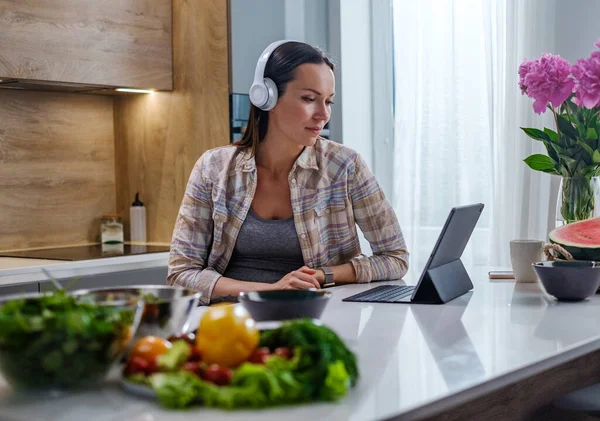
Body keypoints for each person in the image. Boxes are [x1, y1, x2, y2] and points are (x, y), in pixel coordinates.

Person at [168, 40, 408, 305]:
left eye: (329, 102)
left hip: (315, 318)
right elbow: (181, 274)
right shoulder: (212, 169)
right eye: (309, 99)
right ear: (266, 96)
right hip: (230, 319)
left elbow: (395, 258)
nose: (323, 114)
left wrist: (323, 276)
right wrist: (273, 290)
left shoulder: (345, 166)